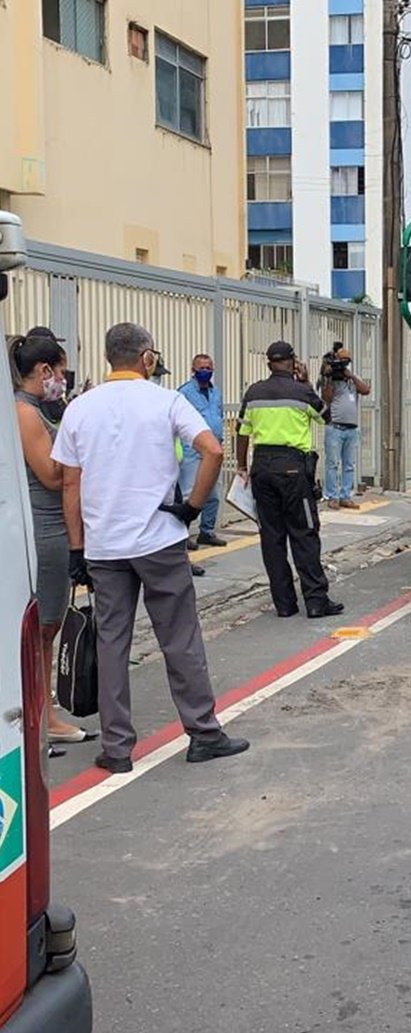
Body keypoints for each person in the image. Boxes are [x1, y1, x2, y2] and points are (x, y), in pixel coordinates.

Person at [51, 322, 249, 773]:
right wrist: (193, 507)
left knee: (112, 643)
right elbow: (212, 451)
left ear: (107, 358)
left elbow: (69, 483)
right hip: (159, 540)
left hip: (104, 547)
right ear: (146, 359)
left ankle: (117, 749)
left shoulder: (81, 408)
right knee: (179, 638)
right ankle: (203, 733)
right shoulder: (167, 401)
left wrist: (77, 549)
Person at [9, 330, 98, 749]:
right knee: (45, 629)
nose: (63, 378)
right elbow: (51, 474)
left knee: (50, 625)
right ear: (45, 370)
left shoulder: (36, 410)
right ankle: (42, 715)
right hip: (45, 531)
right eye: (61, 370)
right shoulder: (25, 412)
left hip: (54, 529)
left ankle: (41, 712)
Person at [236, 341, 344, 619]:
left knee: (271, 538)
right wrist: (307, 382)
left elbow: (242, 432)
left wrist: (240, 466)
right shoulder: (302, 391)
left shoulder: (254, 392)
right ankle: (316, 600)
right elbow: (325, 416)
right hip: (294, 471)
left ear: (268, 362)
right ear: (293, 361)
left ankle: (284, 604)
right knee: (304, 533)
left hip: (261, 469)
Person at [178, 353, 227, 548]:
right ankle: (182, 535)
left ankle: (207, 532)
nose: (205, 371)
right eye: (201, 368)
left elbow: (219, 416)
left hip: (213, 448)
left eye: (208, 368)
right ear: (193, 370)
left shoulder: (217, 393)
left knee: (213, 495)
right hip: (192, 449)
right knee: (188, 493)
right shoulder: (185, 393)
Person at [319, 342, 371, 510]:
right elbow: (326, 399)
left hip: (351, 429)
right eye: (340, 363)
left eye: (346, 363)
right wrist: (328, 377)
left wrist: (350, 376)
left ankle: (345, 496)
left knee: (349, 465)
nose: (342, 367)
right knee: (332, 463)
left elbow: (366, 390)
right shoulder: (330, 380)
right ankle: (332, 496)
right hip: (335, 427)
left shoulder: (353, 379)